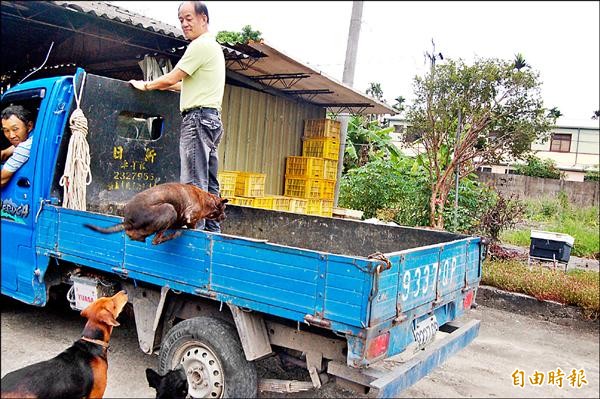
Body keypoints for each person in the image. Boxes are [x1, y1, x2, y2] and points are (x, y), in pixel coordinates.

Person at [129, 1, 226, 233]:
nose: (184, 23)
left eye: (188, 18)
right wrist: (165, 86)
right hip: (212, 120)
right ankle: (213, 233)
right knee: (210, 184)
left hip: (197, 119)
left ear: (203, 18)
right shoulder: (214, 48)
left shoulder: (199, 46)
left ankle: (197, 237)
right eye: (181, 19)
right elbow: (185, 85)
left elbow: (173, 77)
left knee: (193, 186)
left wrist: (146, 85)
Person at [1, 105, 35, 188]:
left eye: (15, 129)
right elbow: (5, 153)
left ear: (29, 126)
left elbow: (2, 180)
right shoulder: (32, 136)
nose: (11, 135)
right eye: (6, 131)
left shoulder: (25, 147)